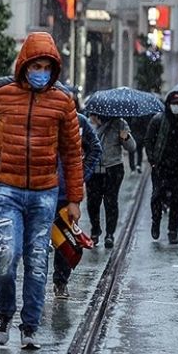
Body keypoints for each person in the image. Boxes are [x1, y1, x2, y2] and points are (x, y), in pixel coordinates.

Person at [0, 32, 84, 350]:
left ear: (54, 69)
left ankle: (29, 327)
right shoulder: (1, 91)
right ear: (25, 64)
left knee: (38, 260)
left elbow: (72, 152)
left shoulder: (63, 101)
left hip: (44, 193)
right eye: (35, 64)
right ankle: (4, 315)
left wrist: (76, 200)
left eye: (46, 66)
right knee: (7, 255)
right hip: (6, 189)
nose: (40, 71)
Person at [53, 108, 102, 299]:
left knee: (65, 240)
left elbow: (95, 148)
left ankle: (60, 282)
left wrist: (82, 174)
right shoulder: (41, 117)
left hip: (66, 193)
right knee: (37, 243)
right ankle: (36, 284)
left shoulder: (79, 122)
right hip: (39, 189)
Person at [144, 91, 178, 244]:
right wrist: (152, 159)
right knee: (157, 196)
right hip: (161, 166)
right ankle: (156, 221)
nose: (176, 107)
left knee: (176, 199)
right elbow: (149, 140)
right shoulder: (158, 120)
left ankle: (173, 230)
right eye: (174, 103)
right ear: (168, 104)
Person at [87, 114, 136, 248]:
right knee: (93, 201)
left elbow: (131, 147)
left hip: (113, 168)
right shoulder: (89, 123)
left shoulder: (120, 123)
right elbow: (82, 142)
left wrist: (125, 137)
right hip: (95, 167)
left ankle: (110, 234)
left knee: (111, 201)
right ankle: (95, 229)